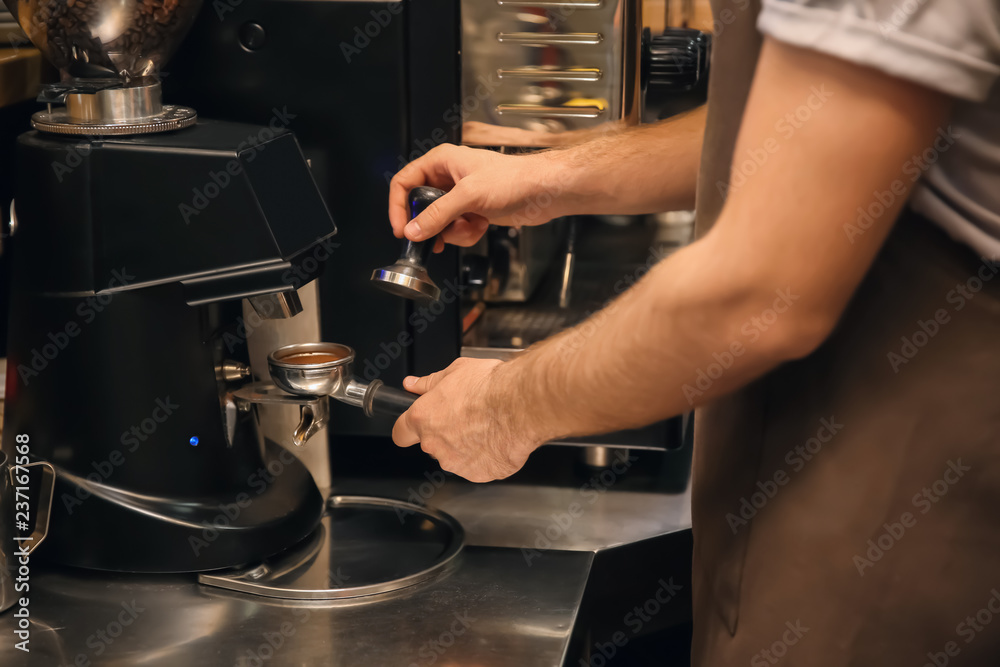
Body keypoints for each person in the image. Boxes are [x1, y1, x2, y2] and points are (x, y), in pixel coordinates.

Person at [387, 0, 1000, 664]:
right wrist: (547, 178)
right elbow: (790, 125)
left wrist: (506, 407)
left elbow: (756, 289)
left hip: (890, 489)